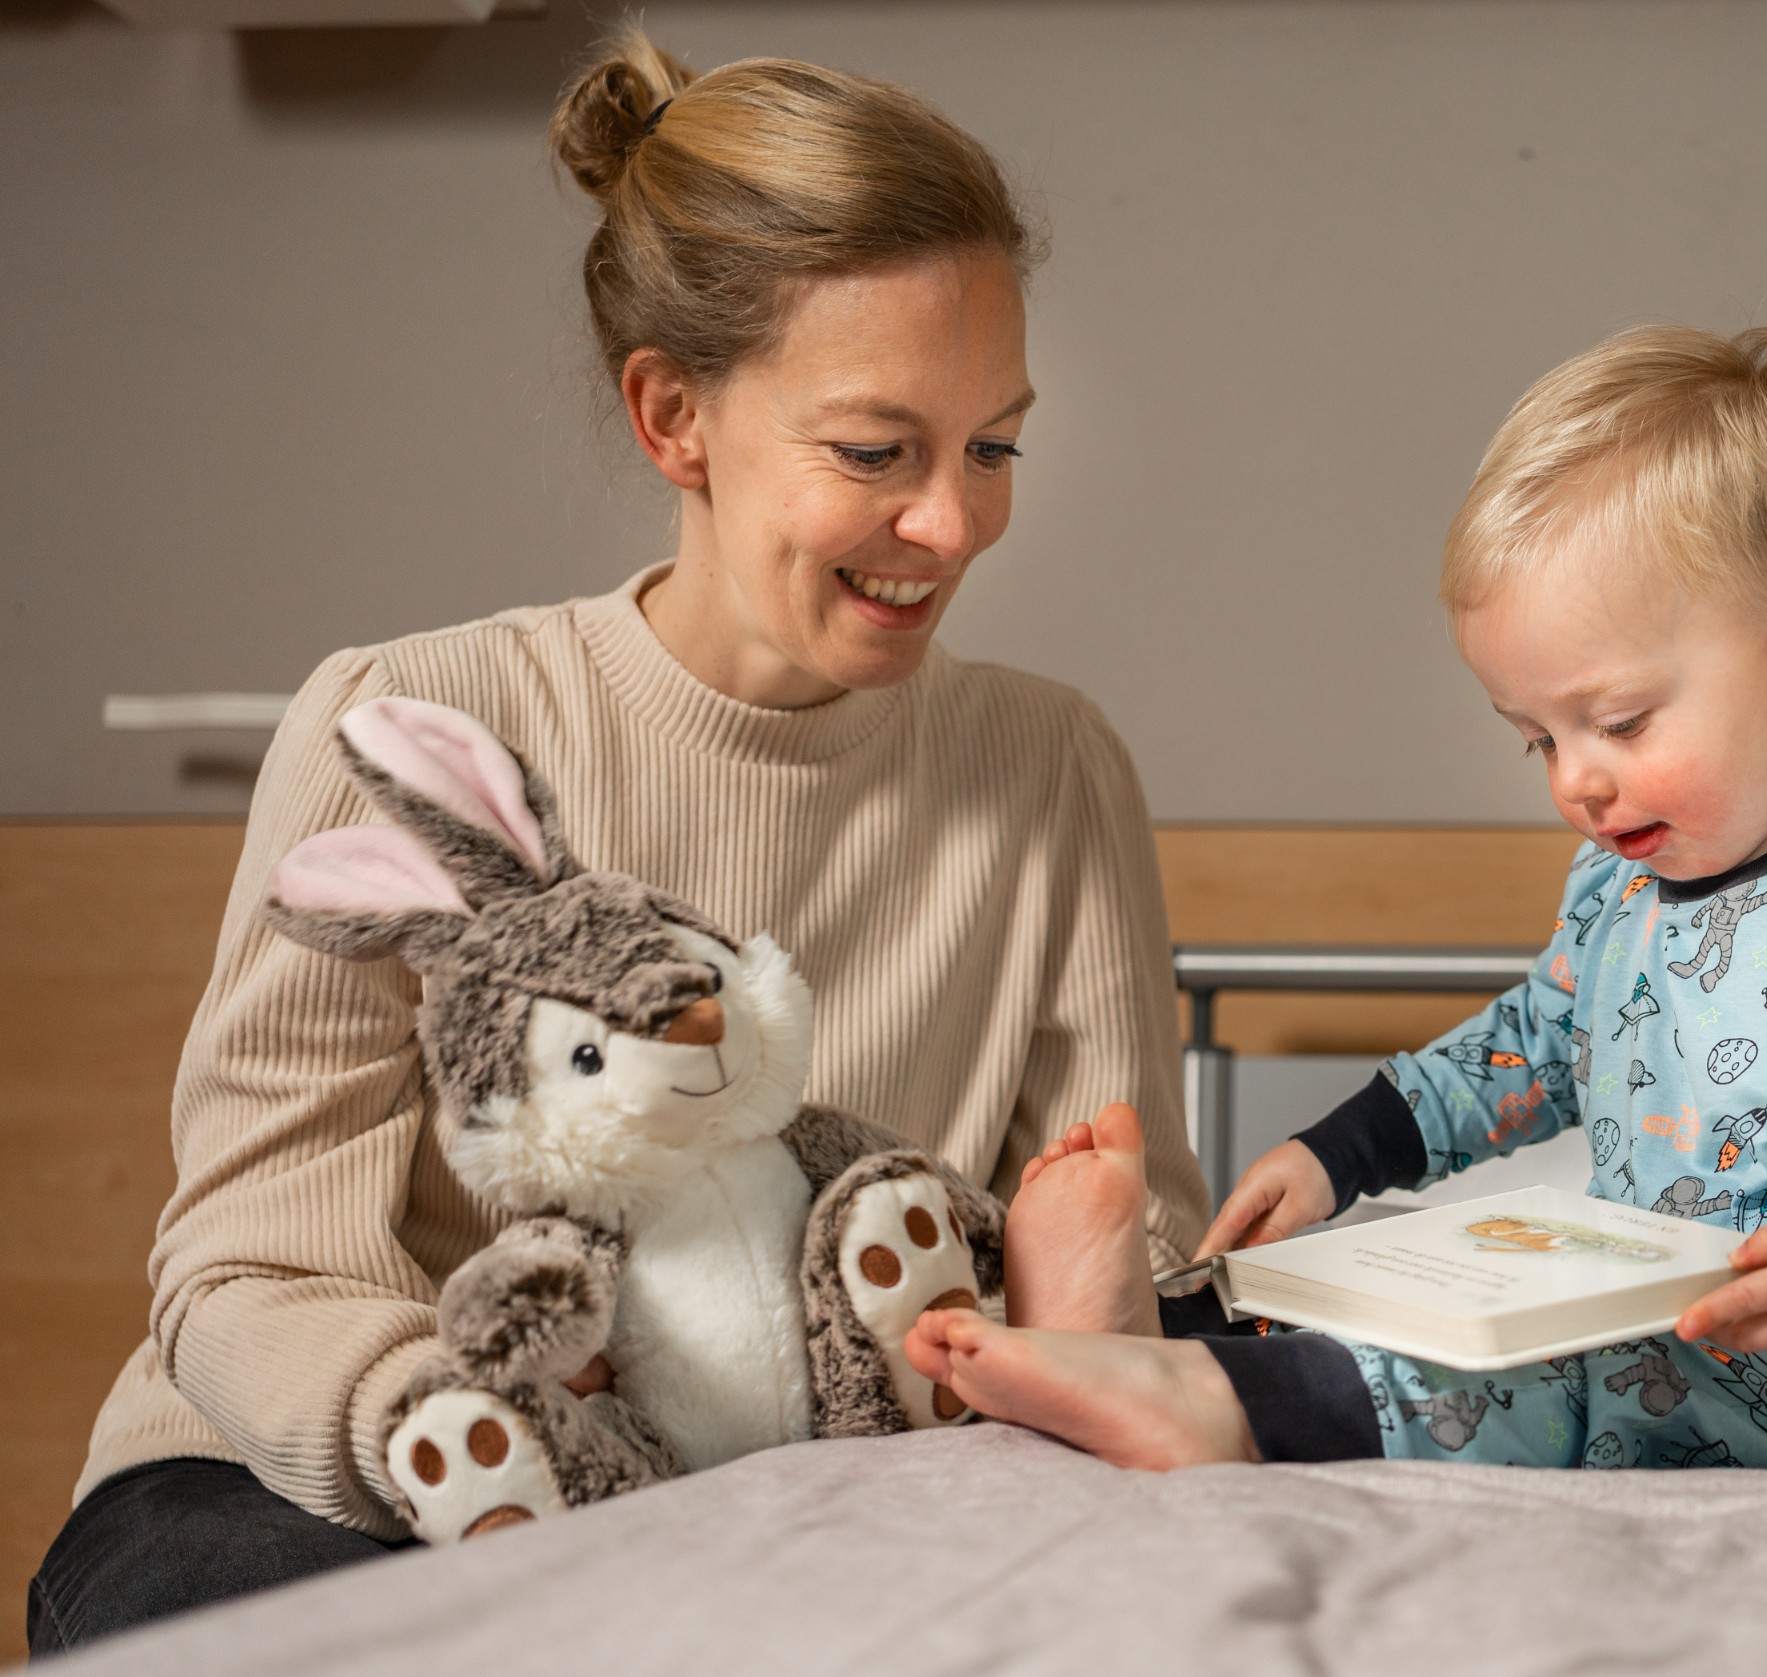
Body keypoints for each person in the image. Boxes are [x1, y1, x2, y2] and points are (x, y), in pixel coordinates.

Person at [27, 32, 1208, 1655]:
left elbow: (1111, 1251)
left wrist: (1094, 1320)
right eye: (877, 451)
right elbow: (251, 1261)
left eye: (990, 445)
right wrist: (496, 1457)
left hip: (804, 1493)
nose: (953, 523)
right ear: (674, 416)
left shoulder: (1049, 766)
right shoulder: (411, 724)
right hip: (317, 1476)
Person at [906, 325, 1767, 1475]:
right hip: (1671, 1310)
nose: (1575, 782)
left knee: (1596, 1367)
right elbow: (1535, 1040)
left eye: (1615, 722)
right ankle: (1156, 1329)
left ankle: (1208, 1410)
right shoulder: (1627, 878)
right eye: (1534, 741)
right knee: (1419, 1296)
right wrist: (1341, 1154)